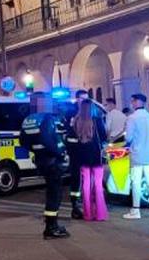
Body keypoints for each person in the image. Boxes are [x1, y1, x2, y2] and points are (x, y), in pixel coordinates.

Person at [20, 93, 70, 239]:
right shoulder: (47, 118)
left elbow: (23, 140)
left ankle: (51, 224)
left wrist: (36, 150)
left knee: (51, 192)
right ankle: (51, 227)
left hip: (41, 160)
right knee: (55, 194)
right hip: (52, 160)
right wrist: (60, 152)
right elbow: (48, 139)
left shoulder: (28, 119)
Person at [65, 91, 107, 220]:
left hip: (81, 156)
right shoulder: (97, 120)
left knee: (86, 185)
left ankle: (88, 213)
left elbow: (70, 137)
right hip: (95, 156)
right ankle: (100, 213)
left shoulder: (76, 120)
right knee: (98, 185)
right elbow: (104, 136)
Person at [123, 93, 149, 220]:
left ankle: (135, 210)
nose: (131, 104)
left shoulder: (132, 118)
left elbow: (128, 137)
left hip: (137, 155)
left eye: (132, 101)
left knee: (136, 183)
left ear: (135, 102)